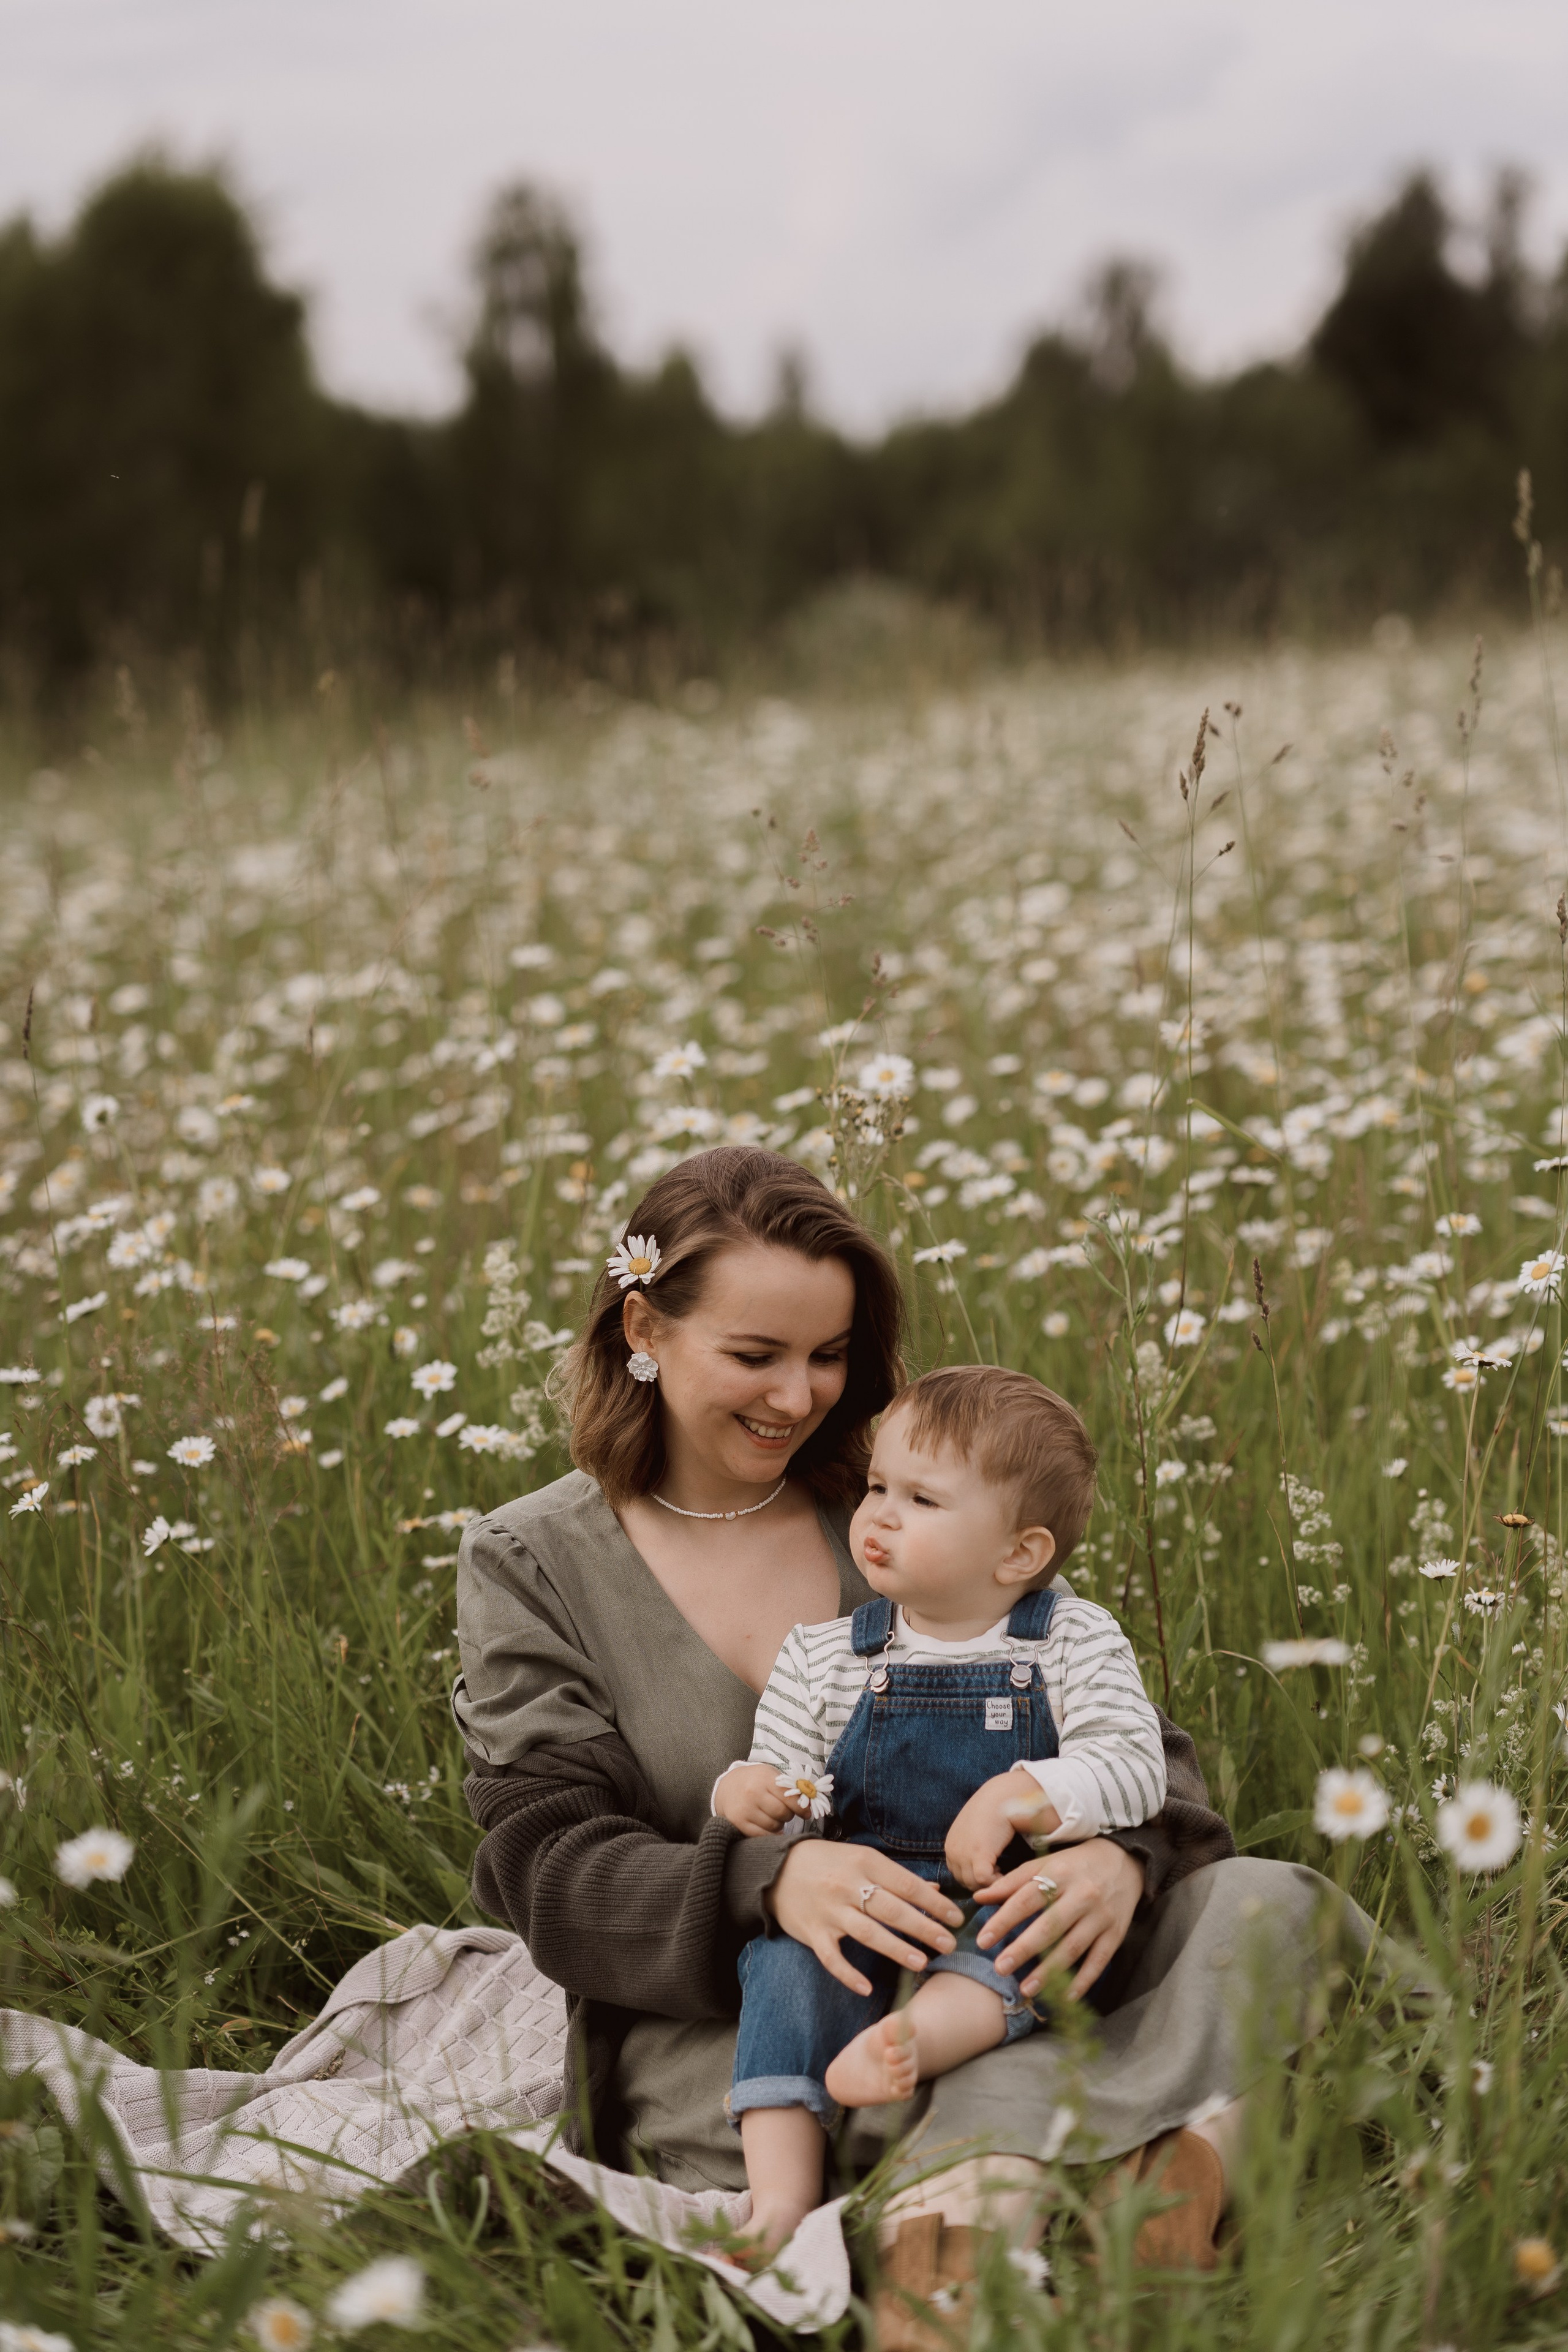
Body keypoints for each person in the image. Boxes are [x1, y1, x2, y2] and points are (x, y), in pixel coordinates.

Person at [454, 1146, 1374, 2337]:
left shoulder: (898, 1504)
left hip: (997, 1956)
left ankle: (1084, 2201)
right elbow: (546, 1863)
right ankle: (1092, 2178)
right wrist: (772, 1879)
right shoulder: (532, 1559)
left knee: (1264, 1907)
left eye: (827, 1357)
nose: (797, 1398)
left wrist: (1111, 1860)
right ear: (643, 1325)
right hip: (758, 2008)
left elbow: (1131, 1746)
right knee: (881, 2081)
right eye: (754, 1356)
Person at [712, 1363, 1168, 2256]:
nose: (878, 1514)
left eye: (922, 1500)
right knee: (783, 1974)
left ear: (1018, 1555)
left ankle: (916, 2044)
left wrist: (1021, 1794)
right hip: (868, 1890)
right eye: (879, 1485)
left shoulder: (1070, 1638)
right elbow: (793, 1779)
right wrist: (750, 1791)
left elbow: (1132, 1763)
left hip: (1001, 1890)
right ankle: (779, 2198)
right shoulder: (823, 1656)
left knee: (1020, 1952)